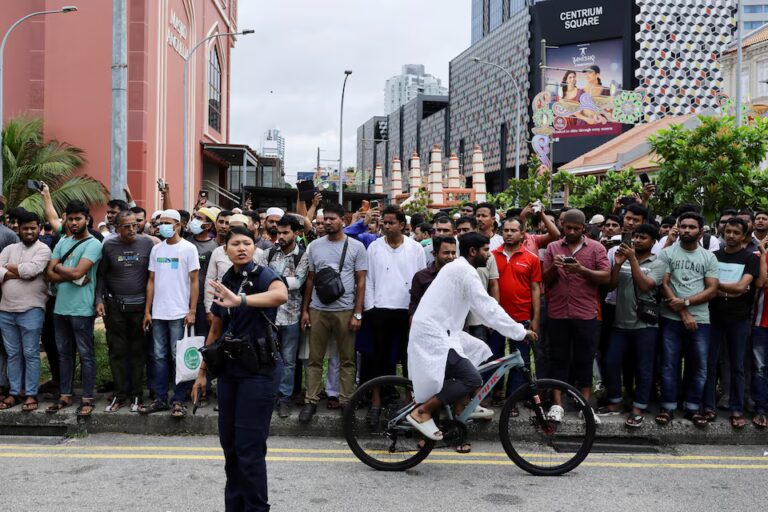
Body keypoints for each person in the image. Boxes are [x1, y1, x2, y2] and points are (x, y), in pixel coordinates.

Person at [192, 226, 288, 512]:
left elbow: (281, 295)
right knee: (230, 448)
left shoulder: (262, 275)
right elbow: (216, 327)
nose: (242, 248)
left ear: (254, 247)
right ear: (225, 248)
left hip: (259, 372)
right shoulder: (227, 278)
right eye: (236, 243)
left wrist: (241, 300)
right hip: (230, 372)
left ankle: (257, 509)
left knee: (249, 449)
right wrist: (202, 372)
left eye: (247, 243)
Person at [406, 232, 537, 441]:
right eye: (486, 250)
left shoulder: (459, 269)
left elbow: (485, 309)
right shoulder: (464, 272)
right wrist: (520, 332)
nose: (490, 255)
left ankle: (464, 406)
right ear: (473, 251)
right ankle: (422, 411)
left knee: (481, 351)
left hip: (446, 332)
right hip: (434, 336)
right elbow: (488, 308)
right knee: (472, 378)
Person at [299, 203, 367, 424]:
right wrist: (306, 310)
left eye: (332, 219)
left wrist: (358, 313)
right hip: (318, 310)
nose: (327, 222)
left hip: (345, 310)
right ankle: (311, 401)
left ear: (343, 221)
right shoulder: (315, 247)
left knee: (347, 360)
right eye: (324, 219)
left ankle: (347, 402)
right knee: (314, 359)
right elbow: (310, 279)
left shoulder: (356, 247)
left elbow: (361, 281)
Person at [542, 208, 610, 423]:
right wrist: (555, 266)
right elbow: (546, 279)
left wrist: (581, 270)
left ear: (583, 228)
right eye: (567, 227)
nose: (571, 231)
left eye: (576, 228)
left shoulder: (597, 248)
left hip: (585, 314)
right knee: (558, 359)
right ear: (562, 226)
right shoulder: (553, 247)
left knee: (585, 359)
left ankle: (585, 405)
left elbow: (606, 277)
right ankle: (557, 405)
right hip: (558, 313)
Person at [363, 206, 426, 425]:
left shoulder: (415, 249)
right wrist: (370, 308)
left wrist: (416, 311)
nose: (386, 226)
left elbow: (420, 281)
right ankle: (376, 403)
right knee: (377, 359)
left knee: (409, 359)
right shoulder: (374, 247)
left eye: (391, 222)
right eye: (384, 222)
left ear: (402, 225)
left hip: (407, 311)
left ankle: (409, 403)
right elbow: (368, 280)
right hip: (380, 310)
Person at [598, 224, 665, 427]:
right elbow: (610, 286)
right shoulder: (624, 259)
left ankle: (639, 406)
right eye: (635, 237)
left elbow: (645, 285)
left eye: (642, 237)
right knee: (610, 362)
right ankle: (616, 402)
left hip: (644, 325)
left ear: (653, 241)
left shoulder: (658, 263)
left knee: (643, 368)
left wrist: (633, 259)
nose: (636, 241)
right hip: (620, 323)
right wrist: (618, 264)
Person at [656, 212, 719, 428]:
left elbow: (712, 289)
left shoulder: (708, 257)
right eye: (683, 226)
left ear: (701, 231)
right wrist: (683, 312)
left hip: (701, 319)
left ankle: (693, 408)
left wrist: (686, 304)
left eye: (691, 227)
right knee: (669, 364)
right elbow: (663, 284)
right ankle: (668, 407)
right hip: (671, 317)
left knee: (699, 365)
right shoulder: (667, 253)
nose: (686, 230)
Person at [702, 217, 763, 428]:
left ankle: (737, 409)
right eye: (728, 231)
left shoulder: (750, 259)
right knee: (709, 363)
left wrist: (716, 288)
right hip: (713, 316)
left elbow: (741, 288)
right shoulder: (713, 257)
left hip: (739, 319)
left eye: (736, 233)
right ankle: (708, 407)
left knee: (738, 365)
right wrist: (724, 288)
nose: (731, 236)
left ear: (744, 236)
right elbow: (711, 286)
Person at [45, 200, 103, 417]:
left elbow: (79, 272)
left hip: (82, 309)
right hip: (60, 309)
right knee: (64, 355)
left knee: (86, 355)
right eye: (70, 219)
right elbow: (48, 273)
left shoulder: (94, 244)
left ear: (87, 219)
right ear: (65, 219)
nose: (74, 222)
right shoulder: (62, 241)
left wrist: (60, 268)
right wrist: (65, 270)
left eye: (78, 218)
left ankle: (87, 397)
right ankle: (65, 395)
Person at [140, 209, 200, 417]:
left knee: (178, 357)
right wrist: (147, 310)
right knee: (158, 356)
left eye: (168, 222)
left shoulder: (188, 249)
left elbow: (194, 282)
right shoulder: (157, 250)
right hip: (158, 313)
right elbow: (151, 281)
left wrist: (192, 310)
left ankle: (178, 400)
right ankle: (159, 398)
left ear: (178, 225)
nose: (163, 226)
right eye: (161, 222)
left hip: (179, 312)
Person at [96, 210, 155, 412]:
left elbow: (153, 277)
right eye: (127, 226)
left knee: (138, 352)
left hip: (140, 308)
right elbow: (101, 275)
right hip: (115, 309)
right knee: (117, 351)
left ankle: (137, 395)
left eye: (134, 225)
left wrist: (149, 308)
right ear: (117, 228)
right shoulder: (109, 245)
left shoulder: (148, 243)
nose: (132, 229)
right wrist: (99, 300)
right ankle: (120, 394)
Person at [257, 214, 309, 419]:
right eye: (279, 232)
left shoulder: (302, 256)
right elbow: (260, 279)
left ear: (296, 233)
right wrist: (280, 282)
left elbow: (298, 283)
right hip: (269, 316)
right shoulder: (268, 254)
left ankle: (284, 398)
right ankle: (268, 397)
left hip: (291, 316)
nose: (281, 236)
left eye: (286, 232)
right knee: (266, 357)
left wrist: (273, 282)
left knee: (288, 361)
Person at [0, 211, 50, 412]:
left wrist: (8, 271)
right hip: (5, 310)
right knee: (12, 354)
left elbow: (31, 271)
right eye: (25, 228)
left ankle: (30, 394)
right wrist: (19, 270)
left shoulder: (43, 249)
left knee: (30, 353)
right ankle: (14, 393)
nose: (29, 231)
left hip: (32, 309)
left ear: (39, 228)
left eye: (33, 228)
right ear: (18, 229)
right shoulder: (10, 248)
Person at [492, 218, 541, 407]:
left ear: (522, 233)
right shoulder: (491, 255)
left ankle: (512, 399)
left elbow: (536, 289)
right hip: (496, 318)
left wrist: (535, 318)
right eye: (506, 230)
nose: (509, 233)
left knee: (520, 359)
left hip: (521, 318)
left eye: (513, 230)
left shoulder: (532, 258)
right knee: (494, 357)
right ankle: (494, 394)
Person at [409, 236, 457, 317]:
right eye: (446, 253)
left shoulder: (459, 275)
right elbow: (414, 308)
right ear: (434, 254)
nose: (451, 257)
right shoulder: (421, 277)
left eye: (453, 253)